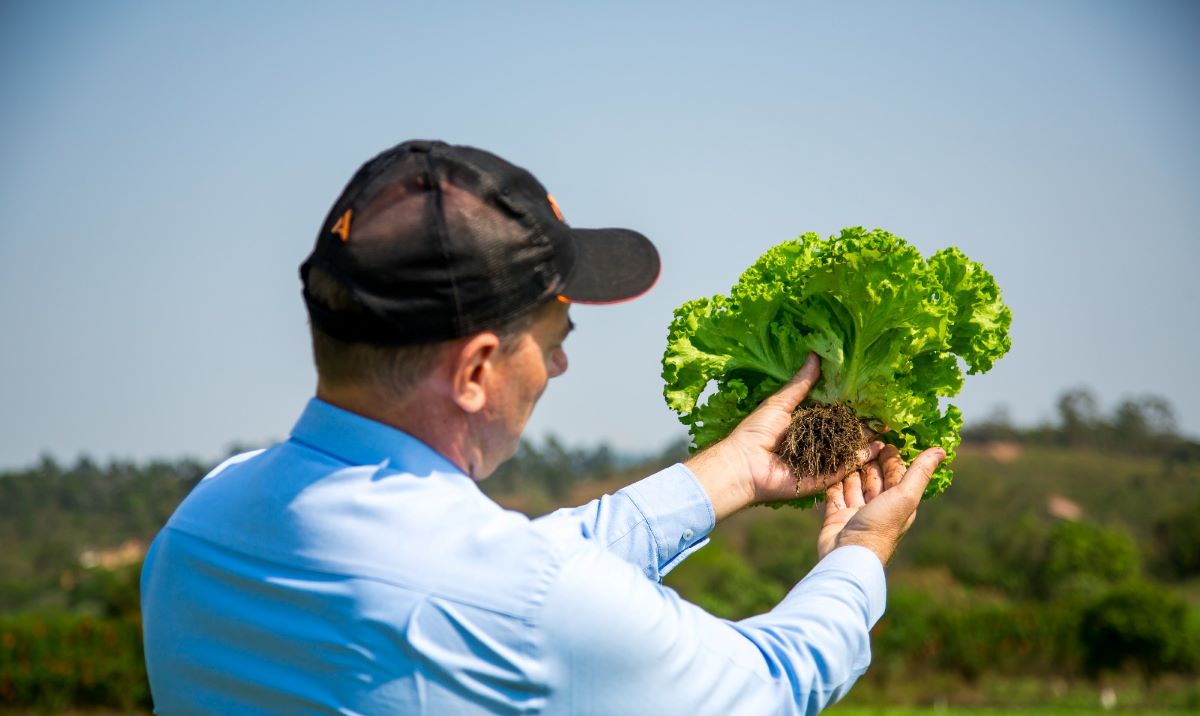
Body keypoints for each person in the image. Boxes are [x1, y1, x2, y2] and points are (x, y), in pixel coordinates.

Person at [140, 140, 945, 715]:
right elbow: (770, 682)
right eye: (554, 346)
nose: (557, 372)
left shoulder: (200, 527)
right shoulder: (532, 608)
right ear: (475, 372)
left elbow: (516, 571)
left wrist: (731, 472)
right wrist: (860, 555)